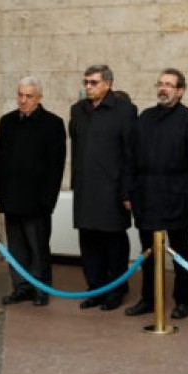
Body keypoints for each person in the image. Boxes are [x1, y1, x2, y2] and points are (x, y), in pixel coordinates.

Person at [125, 69, 188, 320]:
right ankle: (149, 299)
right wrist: (127, 193)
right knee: (147, 252)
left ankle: (183, 301)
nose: (163, 89)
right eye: (160, 84)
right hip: (146, 196)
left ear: (180, 91)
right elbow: (130, 159)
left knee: (180, 252)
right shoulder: (144, 118)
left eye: (169, 85)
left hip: (177, 198)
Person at [0, 77, 66, 307]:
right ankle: (20, 287)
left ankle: (41, 289)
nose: (23, 100)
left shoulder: (53, 124)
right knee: (16, 247)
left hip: (37, 201)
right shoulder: (7, 121)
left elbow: (56, 166)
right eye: (20, 95)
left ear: (39, 98)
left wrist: (48, 200)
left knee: (38, 247)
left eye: (29, 96)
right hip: (11, 197)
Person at [69, 64, 137, 311]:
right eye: (86, 82)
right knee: (88, 242)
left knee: (113, 242)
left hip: (112, 189)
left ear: (107, 84)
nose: (88, 87)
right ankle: (95, 289)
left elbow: (131, 154)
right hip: (86, 189)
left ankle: (116, 290)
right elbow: (76, 147)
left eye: (93, 82)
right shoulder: (77, 110)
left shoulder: (125, 111)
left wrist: (128, 190)